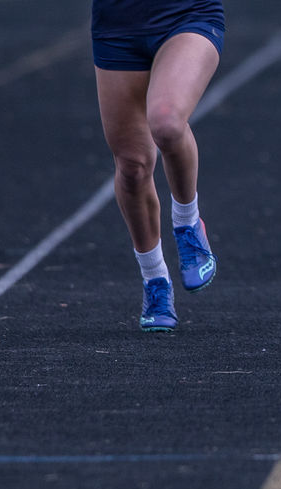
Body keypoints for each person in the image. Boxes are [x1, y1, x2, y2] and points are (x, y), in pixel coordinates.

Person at [92, 0, 223, 332]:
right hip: (117, 27)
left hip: (186, 15)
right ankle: (155, 280)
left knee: (166, 123)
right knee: (133, 166)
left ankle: (187, 223)